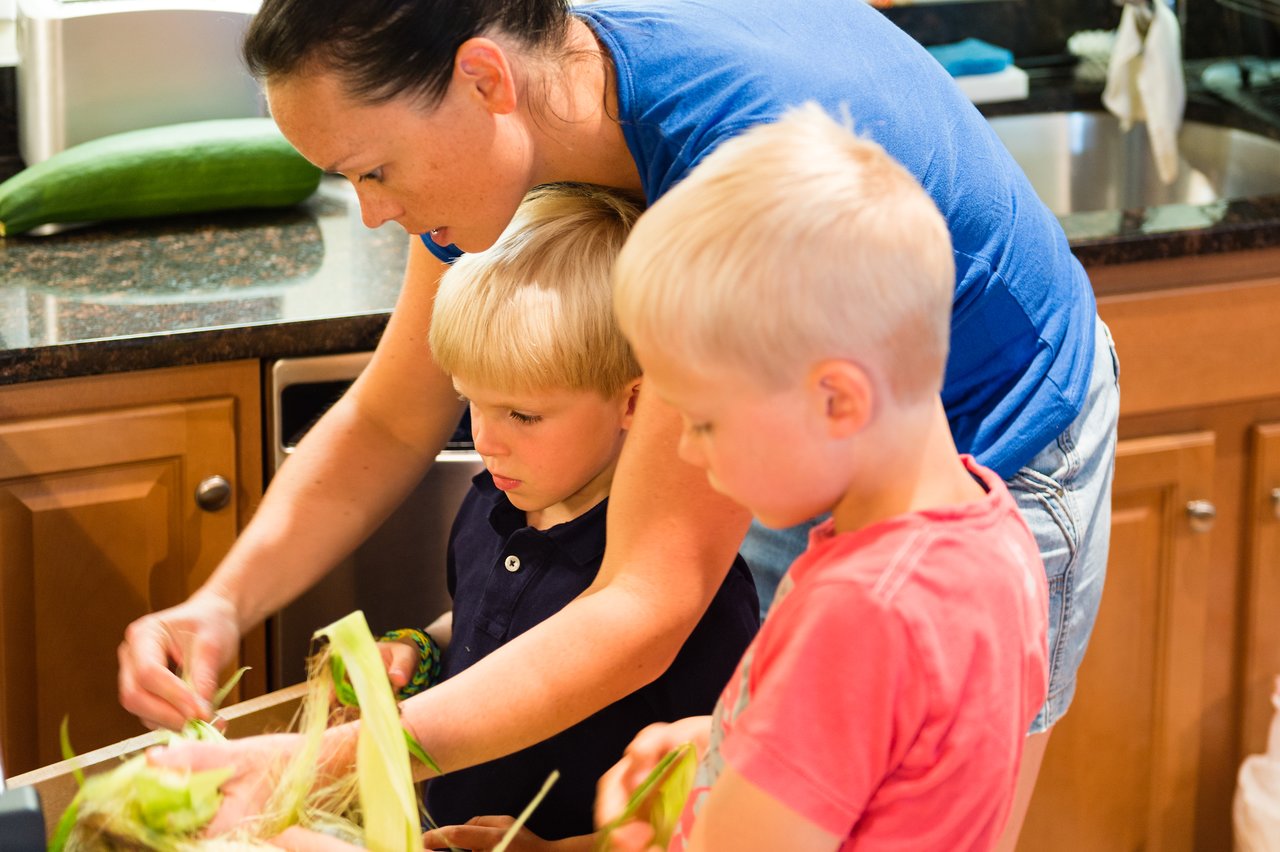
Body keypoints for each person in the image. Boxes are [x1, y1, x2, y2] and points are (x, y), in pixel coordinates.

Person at [117, 0, 1119, 842]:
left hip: (991, 419)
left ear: (482, 81)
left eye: (373, 170)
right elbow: (391, 415)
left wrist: (322, 761)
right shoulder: (514, 106)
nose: (371, 214)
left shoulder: (735, 189)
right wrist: (221, 602)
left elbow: (648, 603)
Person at [597, 103, 1050, 851]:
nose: (684, 451)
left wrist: (629, 841)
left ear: (837, 399)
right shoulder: (992, 529)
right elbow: (899, 748)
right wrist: (730, 744)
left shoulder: (862, 612)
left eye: (704, 421)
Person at [380, 182, 758, 845]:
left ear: (634, 400)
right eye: (471, 399)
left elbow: (711, 808)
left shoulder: (689, 589)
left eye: (523, 414)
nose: (485, 439)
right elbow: (483, 623)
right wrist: (425, 650)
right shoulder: (493, 506)